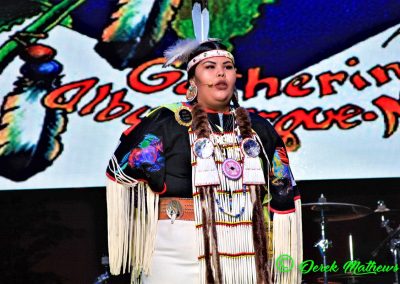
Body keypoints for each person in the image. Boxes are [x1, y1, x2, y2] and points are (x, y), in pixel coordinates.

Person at [105, 38, 302, 284]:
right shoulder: (166, 122)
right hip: (176, 251)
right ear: (192, 82)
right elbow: (121, 171)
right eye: (210, 67)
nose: (221, 72)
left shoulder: (260, 129)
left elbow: (282, 191)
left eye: (227, 67)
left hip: (246, 250)